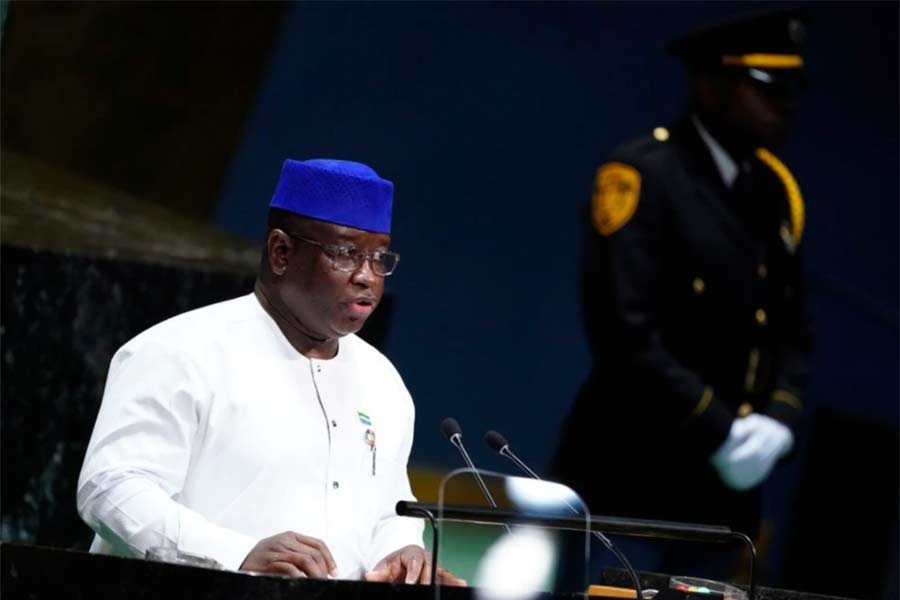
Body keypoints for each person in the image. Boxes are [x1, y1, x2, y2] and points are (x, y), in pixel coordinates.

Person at [77, 158, 464, 585]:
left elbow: (388, 506)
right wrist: (237, 553)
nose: (366, 278)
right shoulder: (180, 351)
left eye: (378, 258)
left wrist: (400, 551)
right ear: (281, 252)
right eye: (346, 254)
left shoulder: (382, 380)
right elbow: (111, 490)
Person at [550, 9, 814, 547]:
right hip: (630, 475)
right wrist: (721, 430)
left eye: (790, 88)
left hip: (721, 495)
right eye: (764, 87)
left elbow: (793, 328)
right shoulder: (644, 174)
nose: (782, 104)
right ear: (711, 86)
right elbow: (623, 333)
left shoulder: (774, 193)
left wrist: (778, 421)